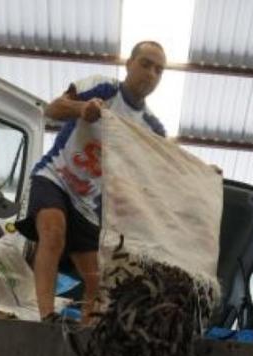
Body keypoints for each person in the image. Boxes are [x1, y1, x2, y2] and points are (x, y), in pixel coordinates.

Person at [16, 41, 168, 322]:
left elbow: (171, 166)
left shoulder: (152, 128)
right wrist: (81, 108)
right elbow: (53, 109)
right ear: (128, 64)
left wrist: (205, 172)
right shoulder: (103, 88)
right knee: (53, 232)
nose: (151, 74)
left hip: (87, 202)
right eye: (145, 64)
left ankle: (85, 335)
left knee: (97, 281)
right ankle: (46, 317)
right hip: (55, 176)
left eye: (159, 70)